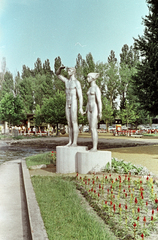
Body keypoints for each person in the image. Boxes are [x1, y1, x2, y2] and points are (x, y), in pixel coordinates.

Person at [56, 66, 84, 147]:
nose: (68, 71)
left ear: (74, 72)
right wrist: (60, 69)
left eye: (70, 70)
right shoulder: (66, 81)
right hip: (67, 102)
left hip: (74, 102)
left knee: (74, 122)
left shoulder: (76, 82)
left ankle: (74, 142)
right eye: (68, 70)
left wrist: (81, 107)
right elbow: (58, 74)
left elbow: (80, 96)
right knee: (69, 123)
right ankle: (70, 141)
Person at [86, 72, 102, 151]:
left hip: (94, 108)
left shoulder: (96, 88)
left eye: (88, 77)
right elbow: (88, 101)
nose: (87, 79)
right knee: (91, 128)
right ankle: (93, 146)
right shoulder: (89, 89)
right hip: (89, 109)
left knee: (93, 128)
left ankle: (95, 147)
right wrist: (85, 110)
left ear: (92, 78)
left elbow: (99, 101)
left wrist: (100, 112)